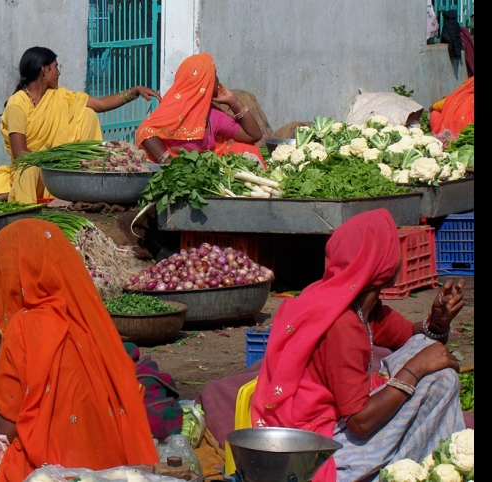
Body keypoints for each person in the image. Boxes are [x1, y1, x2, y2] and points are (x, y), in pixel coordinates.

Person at [0, 218, 159, 482]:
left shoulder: (26, 325)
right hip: (111, 471)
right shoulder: (94, 324)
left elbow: (7, 430)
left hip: (41, 474)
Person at [251, 209, 466, 482]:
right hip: (320, 447)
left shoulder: (355, 303)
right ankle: (410, 471)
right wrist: (417, 368)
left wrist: (437, 323)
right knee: (440, 380)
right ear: (381, 262)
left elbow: (409, 336)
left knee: (426, 347)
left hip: (318, 422)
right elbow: (360, 423)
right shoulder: (343, 324)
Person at [0, 46, 161, 204]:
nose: (59, 72)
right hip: (34, 171)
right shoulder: (17, 104)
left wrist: (134, 92)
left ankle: (86, 186)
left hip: (58, 173)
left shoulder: (60, 96)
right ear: (44, 70)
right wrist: (57, 161)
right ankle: (25, 215)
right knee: (27, 168)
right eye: (55, 67)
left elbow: (100, 105)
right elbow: (20, 154)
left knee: (87, 114)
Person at [135, 52, 264, 167]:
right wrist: (170, 165)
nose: (218, 81)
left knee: (247, 149)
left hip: (201, 169)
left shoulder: (212, 114)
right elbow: (145, 131)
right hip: (177, 172)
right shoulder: (174, 109)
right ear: (203, 82)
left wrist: (232, 100)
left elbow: (253, 136)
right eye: (214, 75)